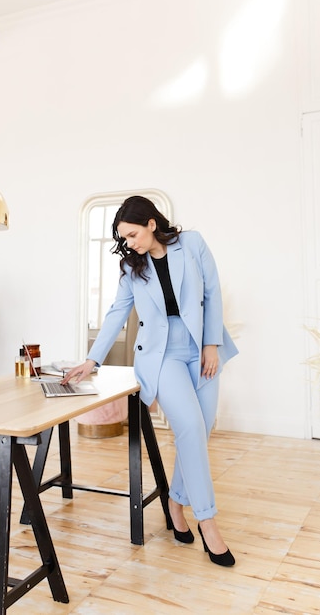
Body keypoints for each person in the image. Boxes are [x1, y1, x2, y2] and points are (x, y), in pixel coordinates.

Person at [62, 196, 238, 566]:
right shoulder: (131, 268)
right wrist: (92, 359)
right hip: (162, 355)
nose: (130, 243)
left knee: (199, 433)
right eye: (124, 238)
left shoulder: (192, 244)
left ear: (151, 224)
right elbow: (116, 313)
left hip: (200, 345)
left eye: (133, 234)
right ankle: (208, 523)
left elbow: (212, 292)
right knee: (188, 427)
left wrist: (211, 345)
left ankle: (175, 503)